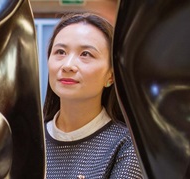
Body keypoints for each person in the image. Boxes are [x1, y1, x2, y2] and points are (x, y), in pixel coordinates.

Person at [43, 12, 142, 179]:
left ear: (111, 75)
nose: (68, 65)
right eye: (60, 52)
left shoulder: (127, 146)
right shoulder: (28, 138)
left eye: (85, 54)